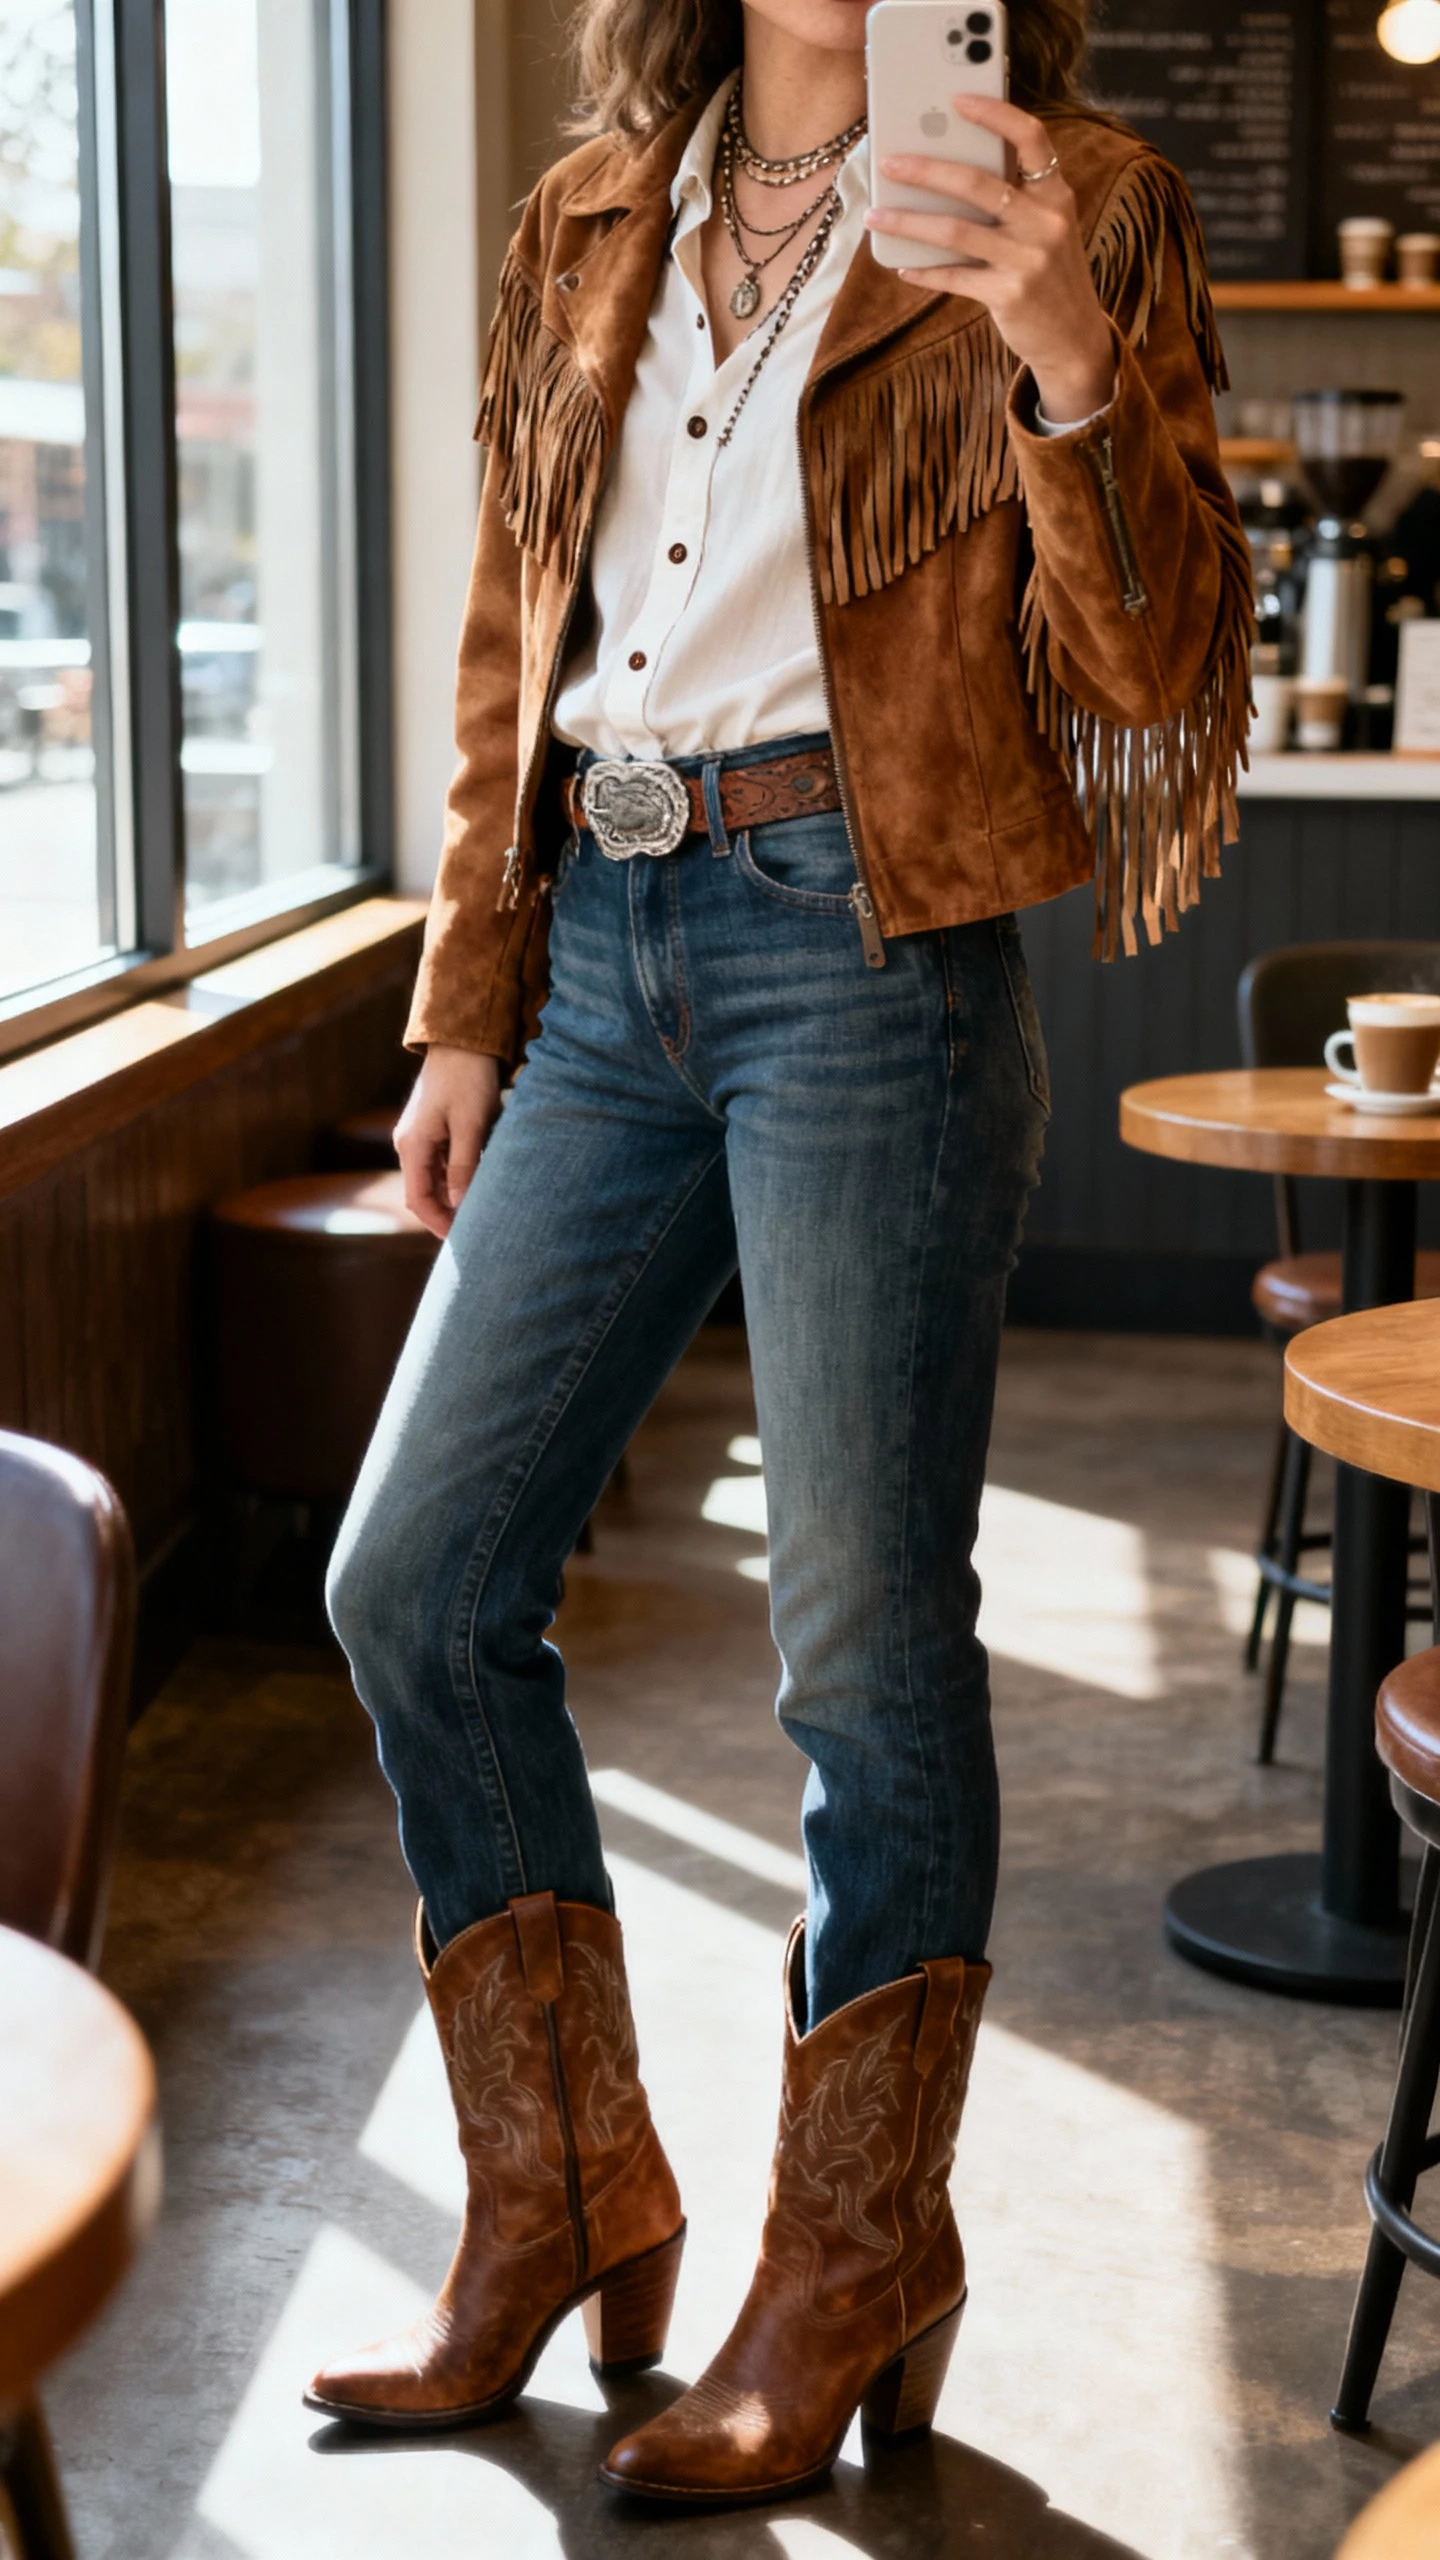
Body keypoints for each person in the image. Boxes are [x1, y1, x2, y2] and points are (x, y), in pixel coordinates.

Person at [308, 0, 1251, 2507]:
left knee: (859, 1632)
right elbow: (518, 634)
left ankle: (852, 2252)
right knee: (412, 1575)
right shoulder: (591, 211)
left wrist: (1056, 351)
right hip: (598, 951)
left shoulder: (1082, 202)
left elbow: (1157, 669)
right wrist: (464, 1004)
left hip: (874, 942)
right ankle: (561, 2184)